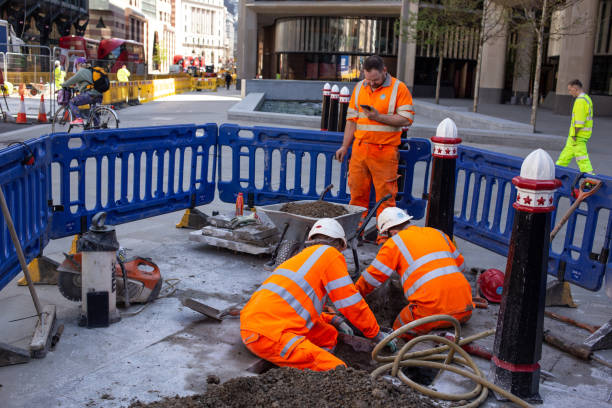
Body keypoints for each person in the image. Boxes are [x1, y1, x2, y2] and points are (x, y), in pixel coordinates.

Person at [240, 218, 396, 371]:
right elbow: (351, 304)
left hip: (264, 322)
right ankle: (317, 375)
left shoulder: (302, 258)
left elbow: (297, 307)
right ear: (341, 245)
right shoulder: (330, 255)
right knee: (337, 369)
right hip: (267, 333)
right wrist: (376, 334)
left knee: (328, 334)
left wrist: (333, 319)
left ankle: (312, 366)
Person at [355, 207, 473, 339]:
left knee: (397, 330)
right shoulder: (438, 233)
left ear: (392, 232)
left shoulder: (395, 242)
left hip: (431, 313)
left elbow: (371, 278)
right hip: (465, 310)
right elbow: (462, 267)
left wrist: (353, 295)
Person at [334, 55, 415, 243]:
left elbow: (406, 119)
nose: (371, 84)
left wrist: (378, 117)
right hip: (360, 150)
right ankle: (356, 232)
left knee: (386, 198)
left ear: (384, 71)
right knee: (357, 195)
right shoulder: (360, 87)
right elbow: (351, 121)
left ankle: (384, 238)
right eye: (368, 79)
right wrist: (345, 146)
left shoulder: (399, 88)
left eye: (375, 80)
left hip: (385, 151)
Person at [556, 79, 595, 174]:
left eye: (570, 90)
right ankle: (556, 172)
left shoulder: (580, 101)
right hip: (577, 136)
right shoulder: (586, 98)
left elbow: (579, 122)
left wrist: (574, 135)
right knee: (565, 156)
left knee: (582, 159)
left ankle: (590, 179)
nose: (569, 92)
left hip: (577, 136)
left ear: (575, 88)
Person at [61, 57, 103, 126]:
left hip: (90, 94)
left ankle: (78, 119)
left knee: (72, 102)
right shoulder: (90, 70)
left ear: (77, 64)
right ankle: (96, 129)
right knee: (93, 112)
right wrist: (77, 88)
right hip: (99, 94)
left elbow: (71, 80)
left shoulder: (81, 71)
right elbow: (86, 84)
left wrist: (63, 85)